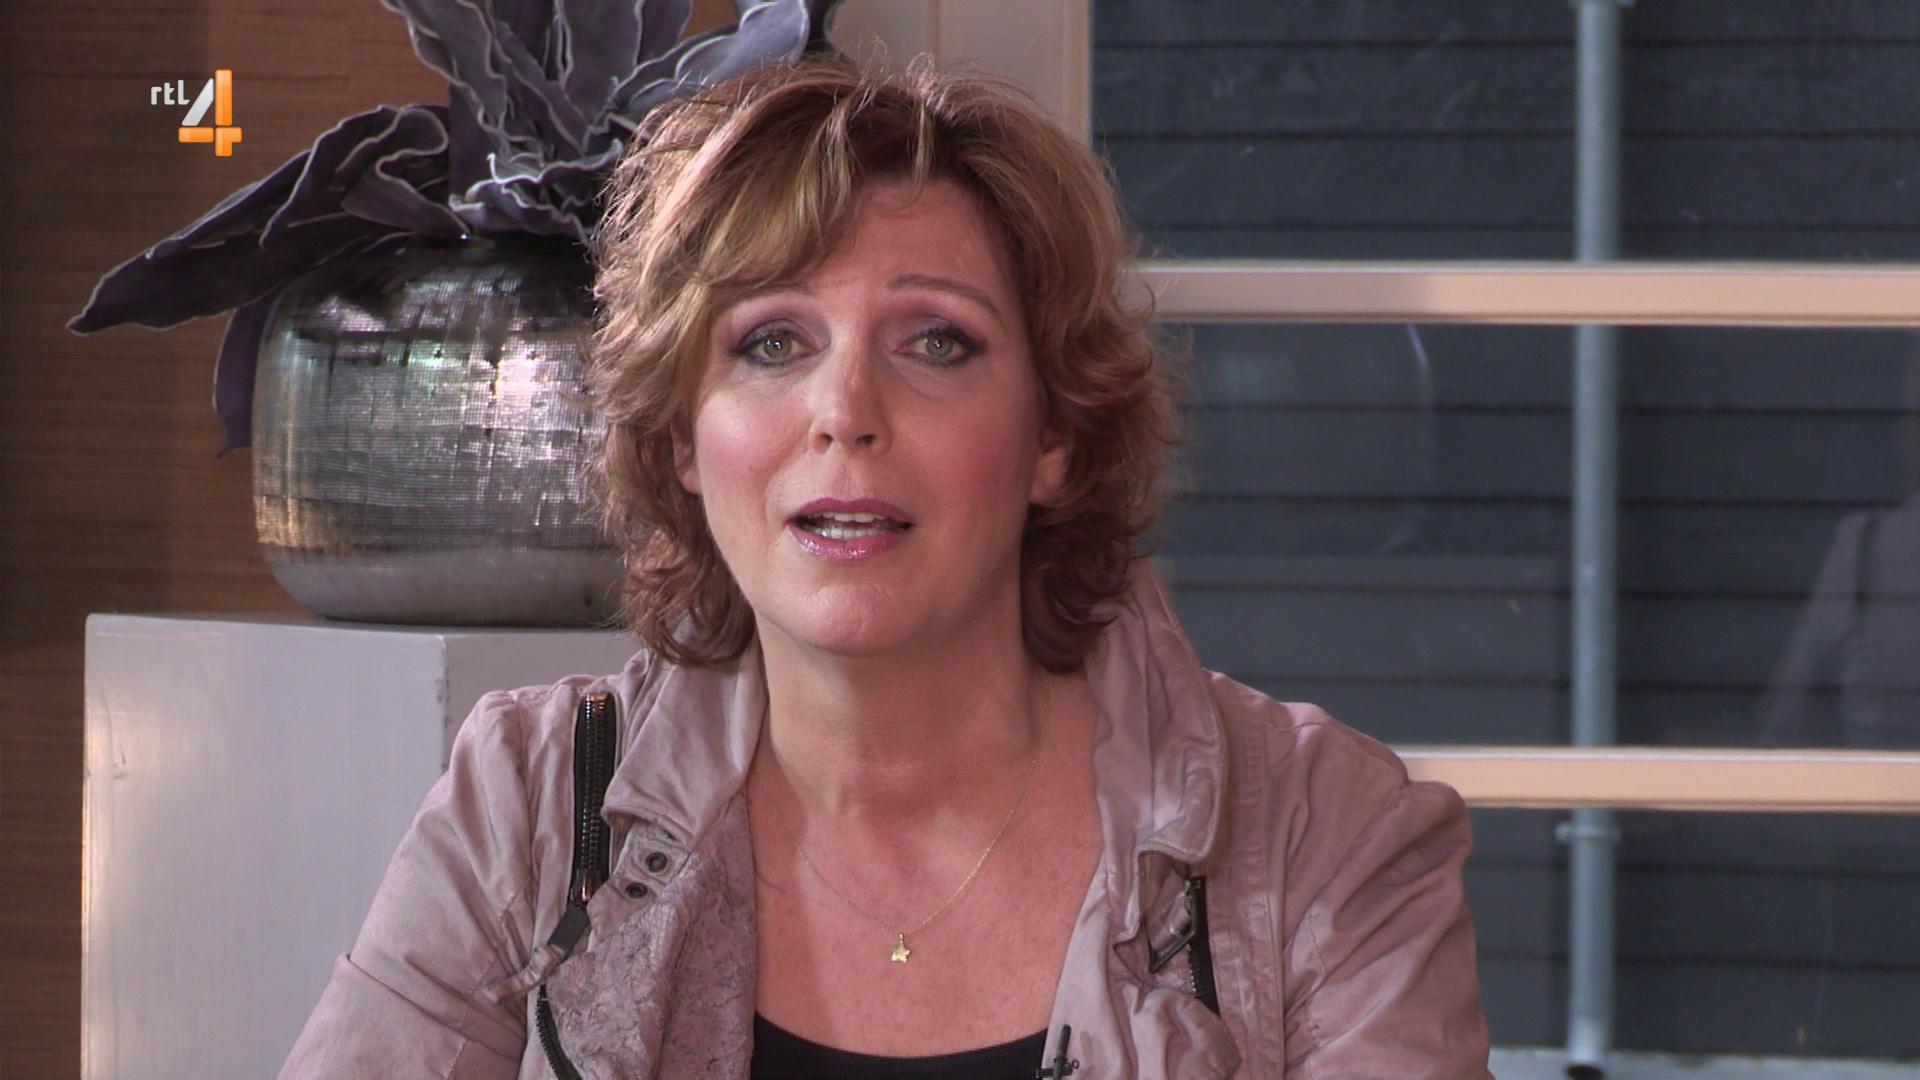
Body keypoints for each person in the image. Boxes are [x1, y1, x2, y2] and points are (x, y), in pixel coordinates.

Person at [281, 56, 1492, 1079]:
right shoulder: (531, 806)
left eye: (936, 343)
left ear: (1056, 437)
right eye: (771, 343)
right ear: (680, 440)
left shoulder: (1323, 838)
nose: (846, 412)